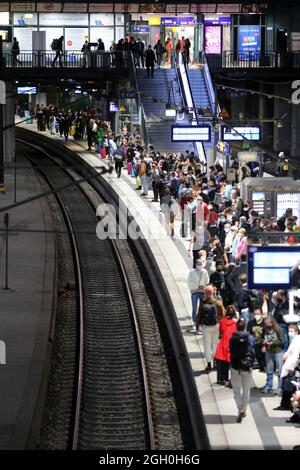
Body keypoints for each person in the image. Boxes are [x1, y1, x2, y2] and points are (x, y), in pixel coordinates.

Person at [229, 318, 255, 422]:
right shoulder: (250, 337)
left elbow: (231, 350)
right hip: (247, 366)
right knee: (246, 390)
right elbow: (252, 350)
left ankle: (239, 408)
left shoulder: (233, 338)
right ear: (245, 327)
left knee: (236, 390)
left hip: (236, 366)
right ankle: (244, 408)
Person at [196, 285, 225, 371]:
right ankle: (215, 362)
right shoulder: (218, 303)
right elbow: (223, 315)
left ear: (205, 293)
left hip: (206, 327)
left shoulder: (203, 303)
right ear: (213, 292)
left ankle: (209, 364)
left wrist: (197, 326)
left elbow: (199, 315)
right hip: (216, 326)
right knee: (215, 344)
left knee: (207, 345)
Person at [274, 324, 300, 412]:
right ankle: (286, 404)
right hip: (290, 365)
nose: (290, 333)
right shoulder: (294, 340)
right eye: (289, 331)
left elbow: (296, 355)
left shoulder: (297, 340)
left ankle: (285, 405)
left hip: (292, 367)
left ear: (296, 332)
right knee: (288, 387)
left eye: (292, 331)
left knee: (288, 387)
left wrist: (291, 367)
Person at [261, 316, 285, 394]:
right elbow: (262, 338)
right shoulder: (265, 328)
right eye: (267, 324)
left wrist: (273, 343)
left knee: (279, 370)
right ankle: (269, 386)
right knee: (269, 370)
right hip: (269, 351)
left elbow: (282, 341)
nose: (268, 326)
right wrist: (264, 343)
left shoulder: (278, 329)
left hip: (278, 351)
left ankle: (280, 387)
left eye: (269, 324)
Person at [214, 305, 238, 385]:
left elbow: (220, 332)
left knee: (221, 362)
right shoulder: (236, 323)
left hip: (223, 343)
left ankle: (222, 379)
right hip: (232, 344)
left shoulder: (222, 321)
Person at [187, 259, 210, 333]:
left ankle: (199, 323)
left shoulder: (205, 272)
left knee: (201, 308)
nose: (200, 265)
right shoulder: (191, 272)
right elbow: (189, 282)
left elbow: (207, 281)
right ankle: (194, 322)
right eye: (198, 264)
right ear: (196, 264)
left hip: (202, 292)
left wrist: (203, 286)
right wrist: (197, 286)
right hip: (194, 292)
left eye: (201, 264)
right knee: (194, 308)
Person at [247, 307, 266, 371]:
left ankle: (264, 366)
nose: (257, 316)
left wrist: (264, 345)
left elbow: (268, 335)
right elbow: (248, 334)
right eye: (255, 314)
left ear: (261, 314)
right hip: (254, 344)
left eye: (258, 314)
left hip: (263, 343)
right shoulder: (251, 323)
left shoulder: (265, 323)